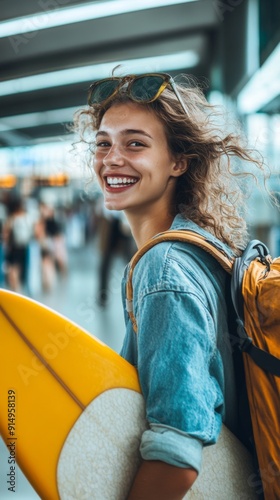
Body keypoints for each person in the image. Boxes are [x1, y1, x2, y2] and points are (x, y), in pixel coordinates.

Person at [74, 72, 267, 498]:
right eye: (103, 142)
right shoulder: (205, 245)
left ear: (178, 162)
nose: (111, 158)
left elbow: (175, 450)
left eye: (135, 143)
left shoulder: (163, 268)